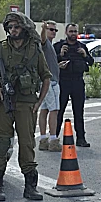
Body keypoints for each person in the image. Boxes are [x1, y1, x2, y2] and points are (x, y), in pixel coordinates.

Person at [0, 12, 51, 201]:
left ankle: (30, 186)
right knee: (1, 143)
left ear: (24, 29)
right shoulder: (1, 48)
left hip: (26, 103)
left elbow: (46, 76)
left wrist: (38, 102)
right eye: (10, 27)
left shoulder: (34, 50)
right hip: (3, 103)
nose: (13, 30)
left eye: (17, 27)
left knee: (27, 144)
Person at [55, 23, 94, 147]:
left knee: (79, 112)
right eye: (71, 31)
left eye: (75, 31)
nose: (73, 34)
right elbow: (49, 63)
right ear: (66, 32)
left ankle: (81, 138)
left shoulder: (82, 47)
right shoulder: (59, 46)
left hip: (77, 81)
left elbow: (91, 62)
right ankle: (54, 138)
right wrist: (60, 55)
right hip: (63, 82)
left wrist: (85, 55)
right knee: (59, 111)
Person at [37, 21, 62, 152]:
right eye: (50, 29)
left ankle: (43, 139)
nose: (53, 32)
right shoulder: (45, 43)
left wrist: (58, 66)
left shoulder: (50, 46)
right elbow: (41, 39)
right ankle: (53, 139)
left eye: (55, 30)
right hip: (50, 83)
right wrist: (42, 29)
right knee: (54, 110)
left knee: (45, 110)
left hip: (48, 81)